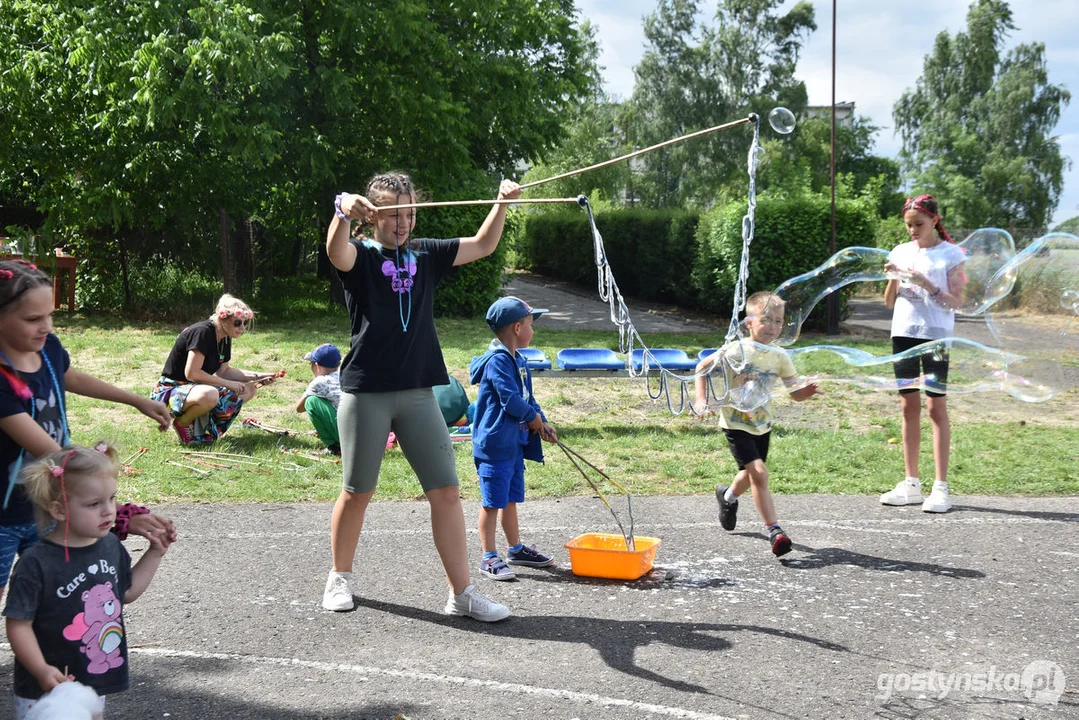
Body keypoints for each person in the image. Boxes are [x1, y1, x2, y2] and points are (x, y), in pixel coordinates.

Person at [322, 172, 520, 620]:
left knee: (447, 492)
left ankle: (462, 594)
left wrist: (501, 202)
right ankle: (339, 577)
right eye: (394, 214)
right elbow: (337, 250)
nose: (403, 222)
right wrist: (340, 212)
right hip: (367, 391)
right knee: (357, 491)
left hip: (417, 392)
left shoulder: (426, 254)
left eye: (409, 213)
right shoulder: (363, 255)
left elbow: (482, 244)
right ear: (373, 215)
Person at [0, 260, 176, 608]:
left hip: (47, 504)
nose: (45, 327)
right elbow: (51, 453)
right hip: (7, 514)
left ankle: (47, 658)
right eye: (33, 319)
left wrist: (136, 400)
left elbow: (71, 377)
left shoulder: (47, 347)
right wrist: (118, 512)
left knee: (58, 590)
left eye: (49, 315)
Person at [3, 442, 171, 719]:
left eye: (112, 499)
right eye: (94, 504)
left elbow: (125, 593)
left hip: (93, 673)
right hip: (46, 688)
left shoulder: (110, 546)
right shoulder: (36, 563)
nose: (108, 511)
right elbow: (18, 625)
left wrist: (155, 553)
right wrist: (41, 670)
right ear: (58, 510)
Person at [694, 291, 820, 557]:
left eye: (778, 322)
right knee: (759, 473)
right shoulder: (735, 349)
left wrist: (805, 392)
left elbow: (794, 393)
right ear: (749, 322)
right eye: (766, 320)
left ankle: (727, 497)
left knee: (749, 474)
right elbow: (702, 368)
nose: (773, 327)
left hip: (762, 425)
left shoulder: (780, 356)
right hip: (735, 423)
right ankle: (775, 531)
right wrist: (702, 400)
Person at [880, 194, 967, 513]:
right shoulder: (900, 251)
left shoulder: (951, 253)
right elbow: (889, 303)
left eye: (918, 224)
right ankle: (911, 483)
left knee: (935, 408)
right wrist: (895, 277)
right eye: (908, 225)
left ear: (934, 220)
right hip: (903, 333)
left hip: (936, 336)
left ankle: (941, 487)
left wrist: (925, 283)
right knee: (908, 407)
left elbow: (956, 301)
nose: (912, 230)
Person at [468, 297, 558, 581]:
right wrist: (532, 418)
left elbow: (527, 398)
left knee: (509, 499)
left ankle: (515, 549)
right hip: (495, 444)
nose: (534, 330)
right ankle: (488, 556)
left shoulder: (517, 359)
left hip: (514, 443)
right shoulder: (498, 361)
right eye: (531, 324)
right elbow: (510, 400)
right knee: (492, 502)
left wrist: (541, 421)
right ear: (517, 328)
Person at [152, 294, 275, 445]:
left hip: (194, 388)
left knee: (249, 389)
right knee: (211, 393)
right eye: (237, 323)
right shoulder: (203, 332)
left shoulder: (225, 337)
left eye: (245, 323)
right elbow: (192, 373)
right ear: (223, 318)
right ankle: (183, 422)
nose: (242, 328)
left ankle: (206, 429)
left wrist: (258, 377)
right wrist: (228, 384)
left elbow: (225, 371)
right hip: (171, 389)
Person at [295, 343, 342, 455]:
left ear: (316, 365)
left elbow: (299, 408)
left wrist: (313, 383)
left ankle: (335, 446)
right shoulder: (345, 374)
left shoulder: (320, 381)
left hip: (347, 434)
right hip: (364, 431)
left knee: (311, 401)